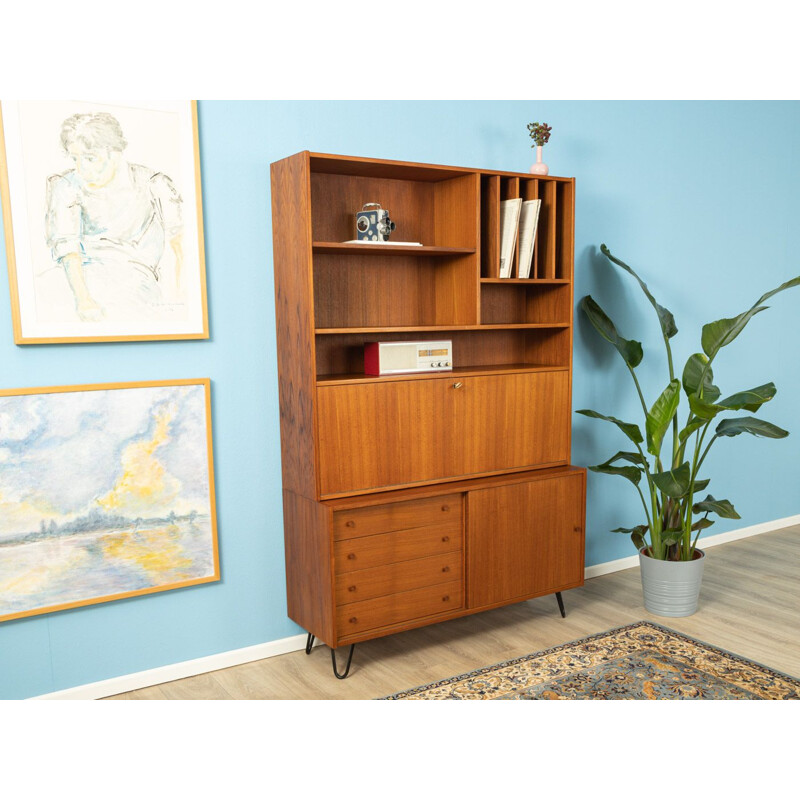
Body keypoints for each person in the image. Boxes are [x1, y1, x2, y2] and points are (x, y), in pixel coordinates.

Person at [45, 112, 184, 322]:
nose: (81, 168)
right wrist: (83, 300)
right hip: (74, 281)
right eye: (75, 158)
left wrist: (177, 298)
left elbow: (180, 247)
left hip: (134, 283)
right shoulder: (65, 185)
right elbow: (67, 247)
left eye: (90, 158)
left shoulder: (153, 184)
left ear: (115, 153)